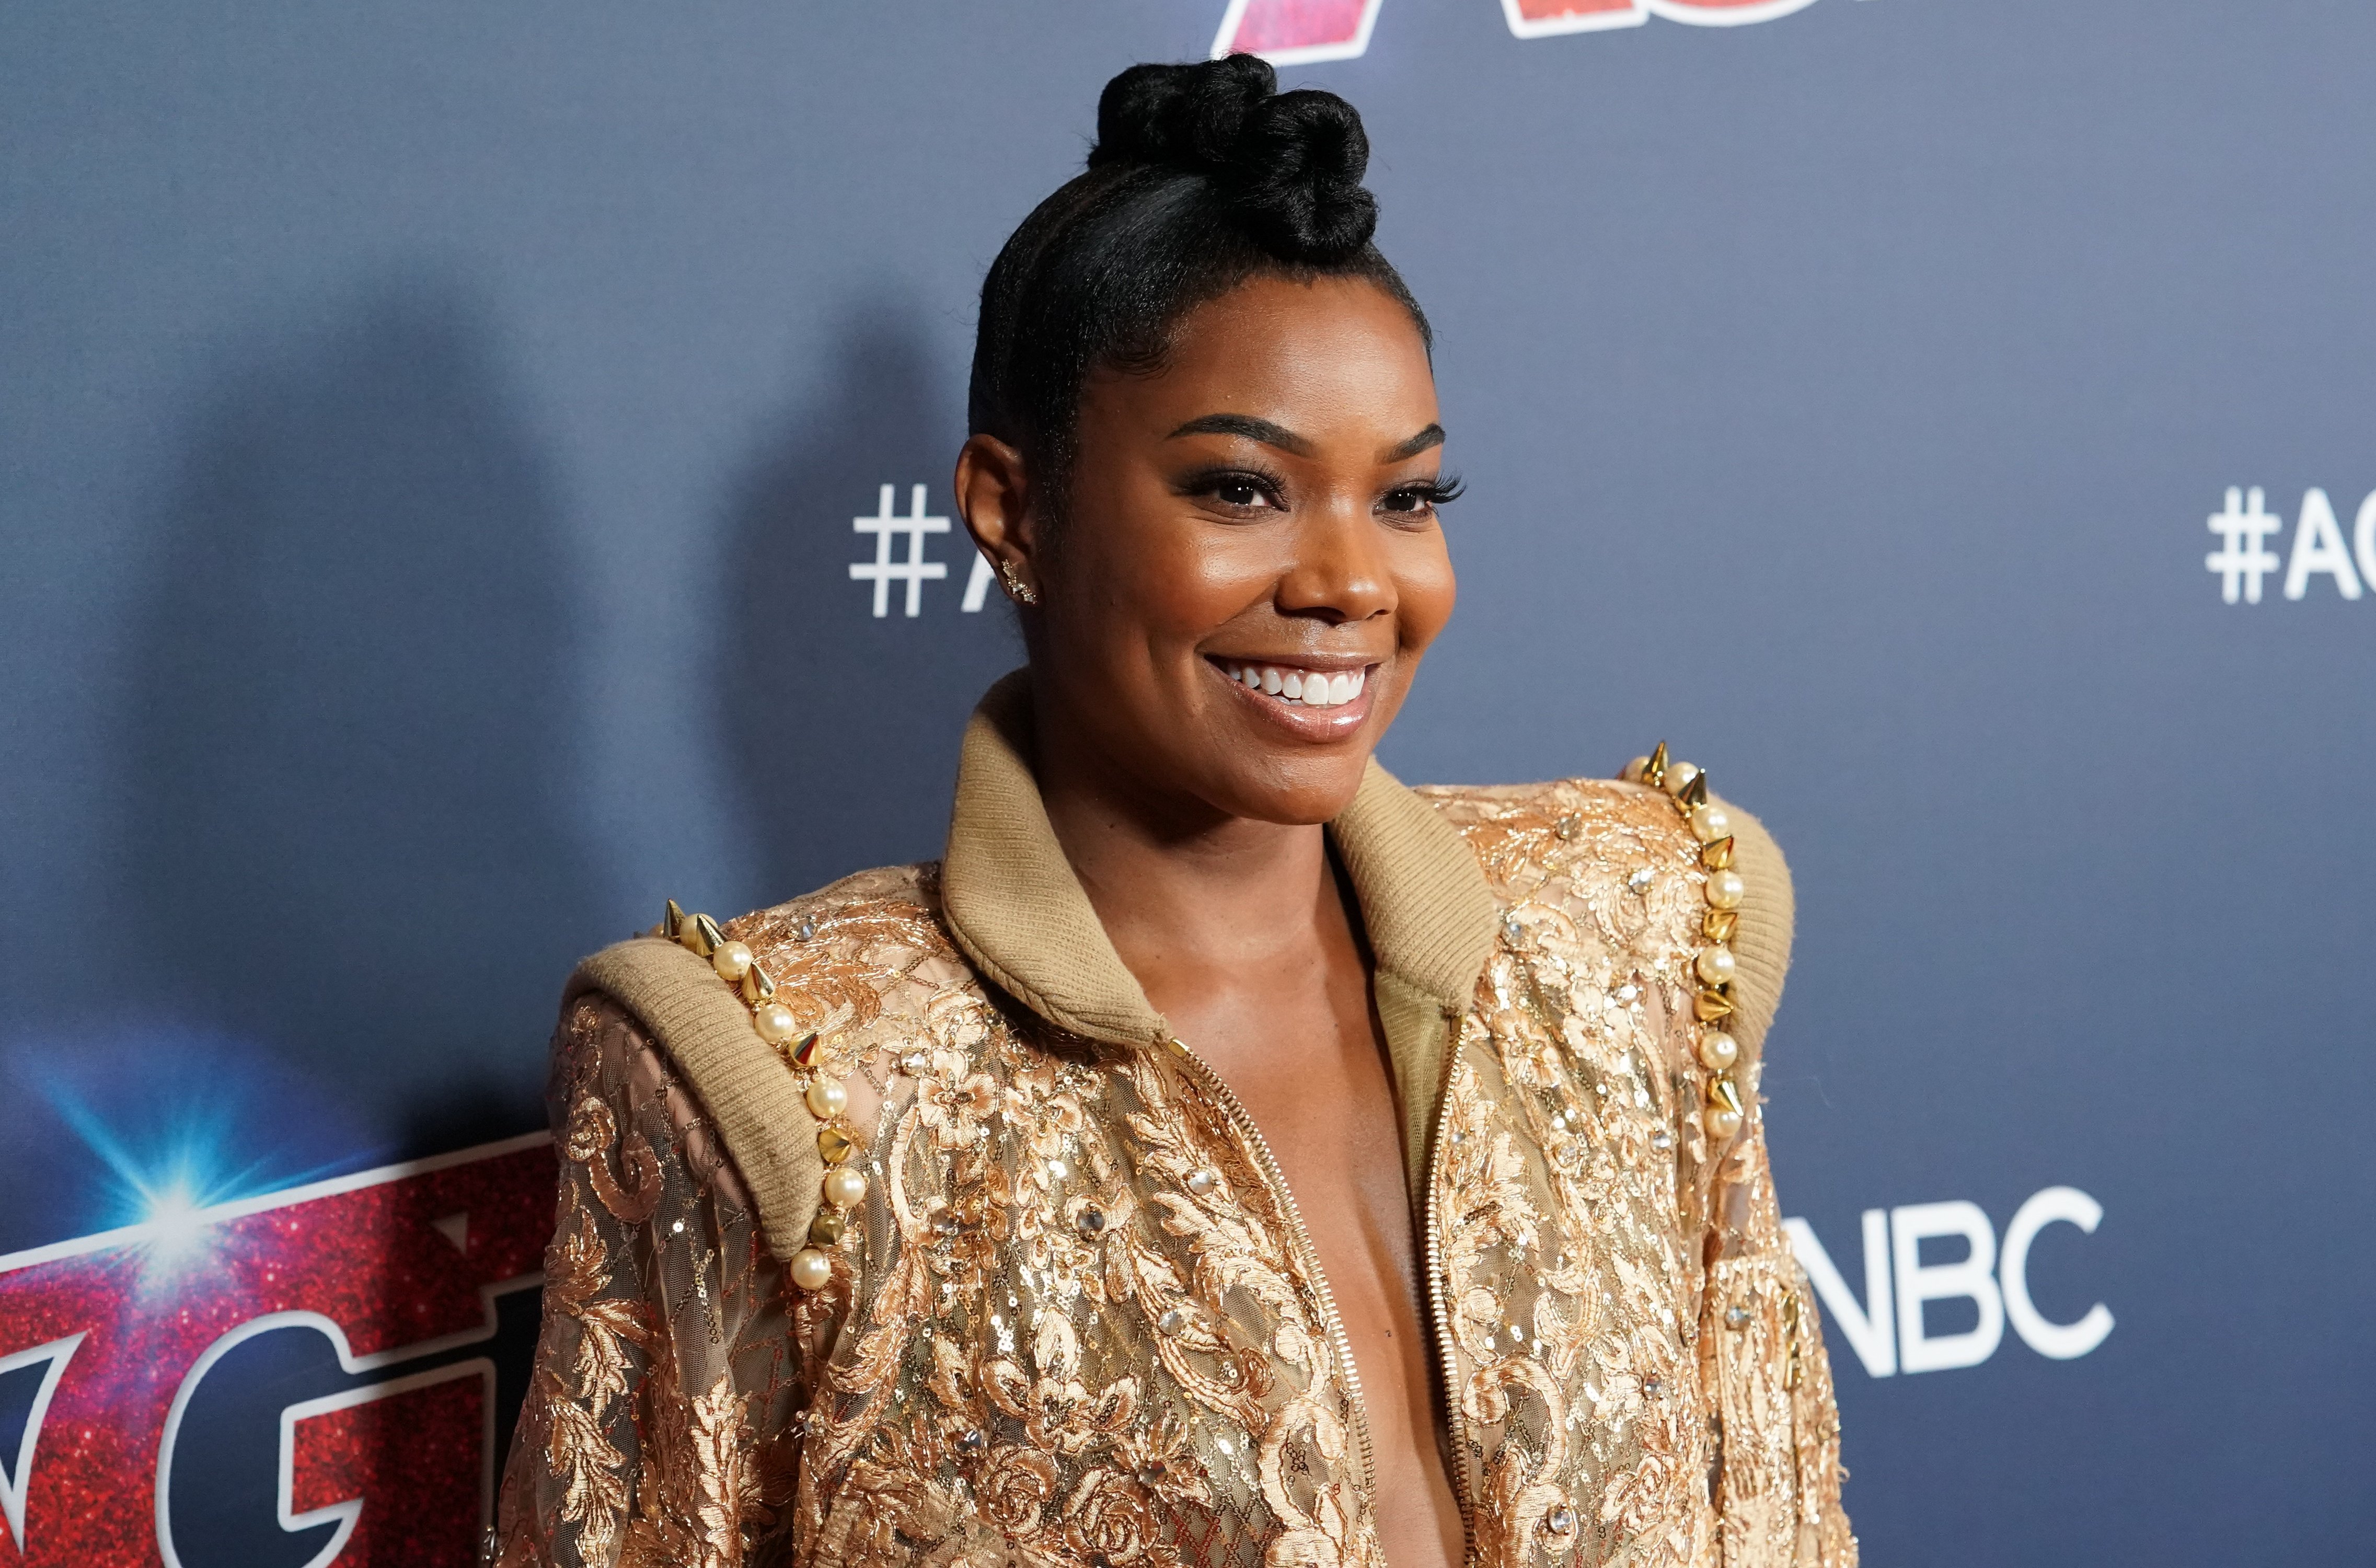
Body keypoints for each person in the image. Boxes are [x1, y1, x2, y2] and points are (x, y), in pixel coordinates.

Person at [491, 55, 1852, 1568]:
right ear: (1011, 509)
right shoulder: (784, 1076)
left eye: (1407, 498)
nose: (1349, 580)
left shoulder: (1647, 926)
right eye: (1239, 490)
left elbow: (1771, 1499)